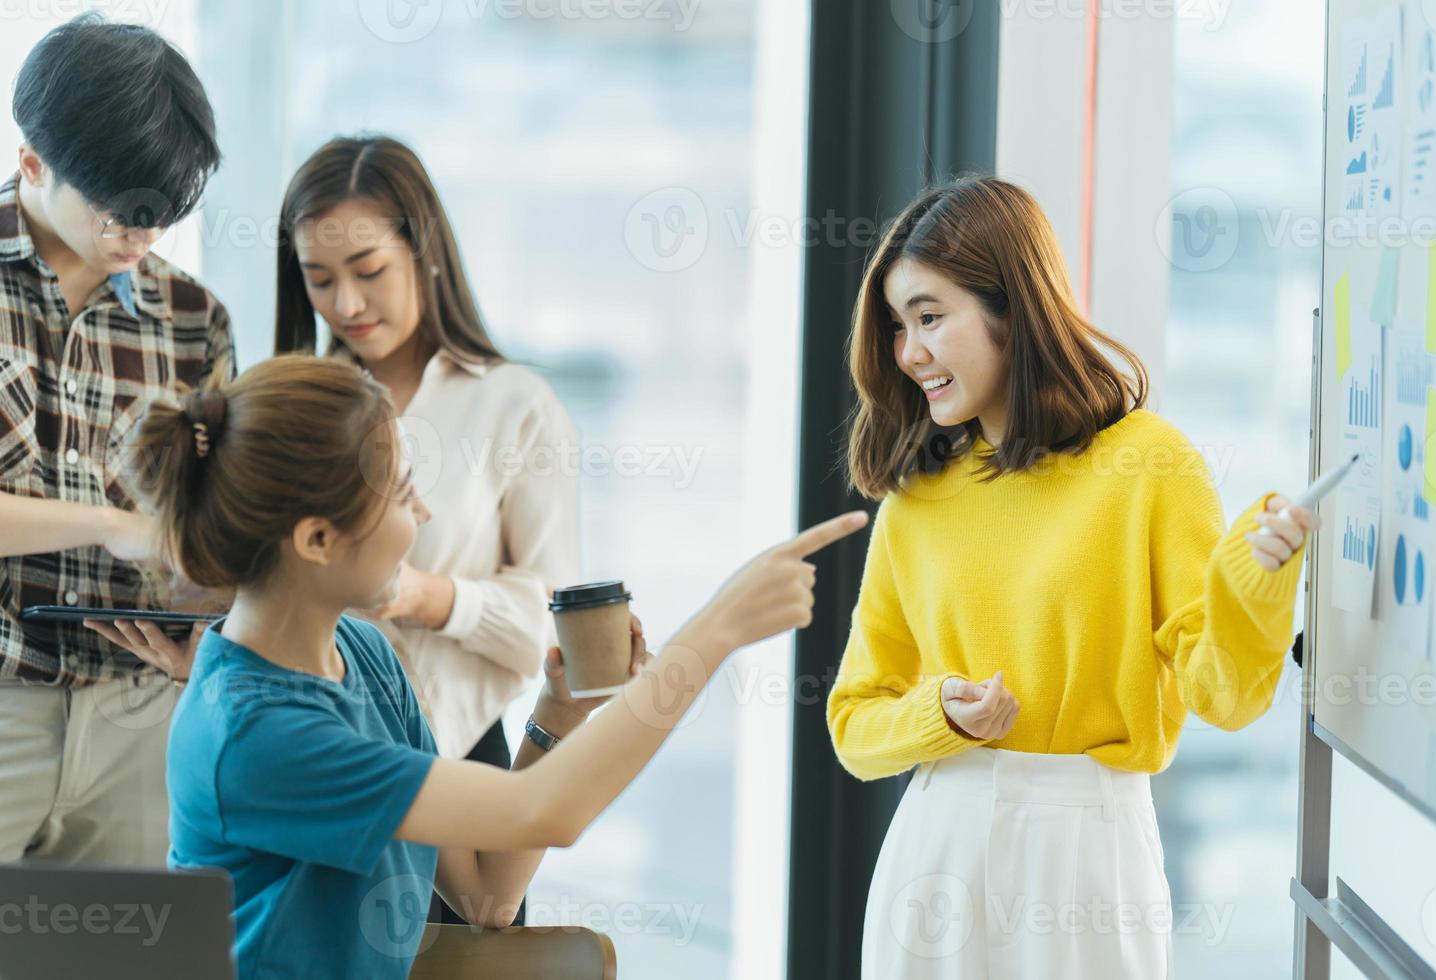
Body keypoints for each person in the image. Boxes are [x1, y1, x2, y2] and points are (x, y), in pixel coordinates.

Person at [126, 352, 864, 979]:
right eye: (400, 492)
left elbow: (485, 895)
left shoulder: (363, 653)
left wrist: (558, 715)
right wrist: (717, 630)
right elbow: (546, 812)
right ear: (317, 538)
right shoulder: (256, 734)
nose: (423, 515)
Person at [826, 176, 1321, 979]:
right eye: (896, 325)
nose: (908, 352)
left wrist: (1257, 584)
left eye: (929, 317)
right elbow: (853, 724)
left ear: (1011, 311)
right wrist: (939, 712)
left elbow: (1224, 696)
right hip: (936, 844)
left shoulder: (1147, 465)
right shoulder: (916, 502)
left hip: (1088, 851)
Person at [273, 134, 579, 926]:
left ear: (426, 252)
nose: (345, 304)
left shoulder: (514, 404)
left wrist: (419, 595)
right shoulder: (292, 410)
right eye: (319, 279)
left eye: (369, 271)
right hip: (312, 753)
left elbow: (552, 639)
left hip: (457, 765)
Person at [0, 13, 231, 867]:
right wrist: (109, 524)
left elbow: (215, 522)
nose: (141, 243)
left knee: (132, 960)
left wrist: (202, 598)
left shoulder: (194, 321)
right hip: (5, 690)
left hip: (142, 712)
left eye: (160, 219)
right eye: (120, 219)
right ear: (33, 163)